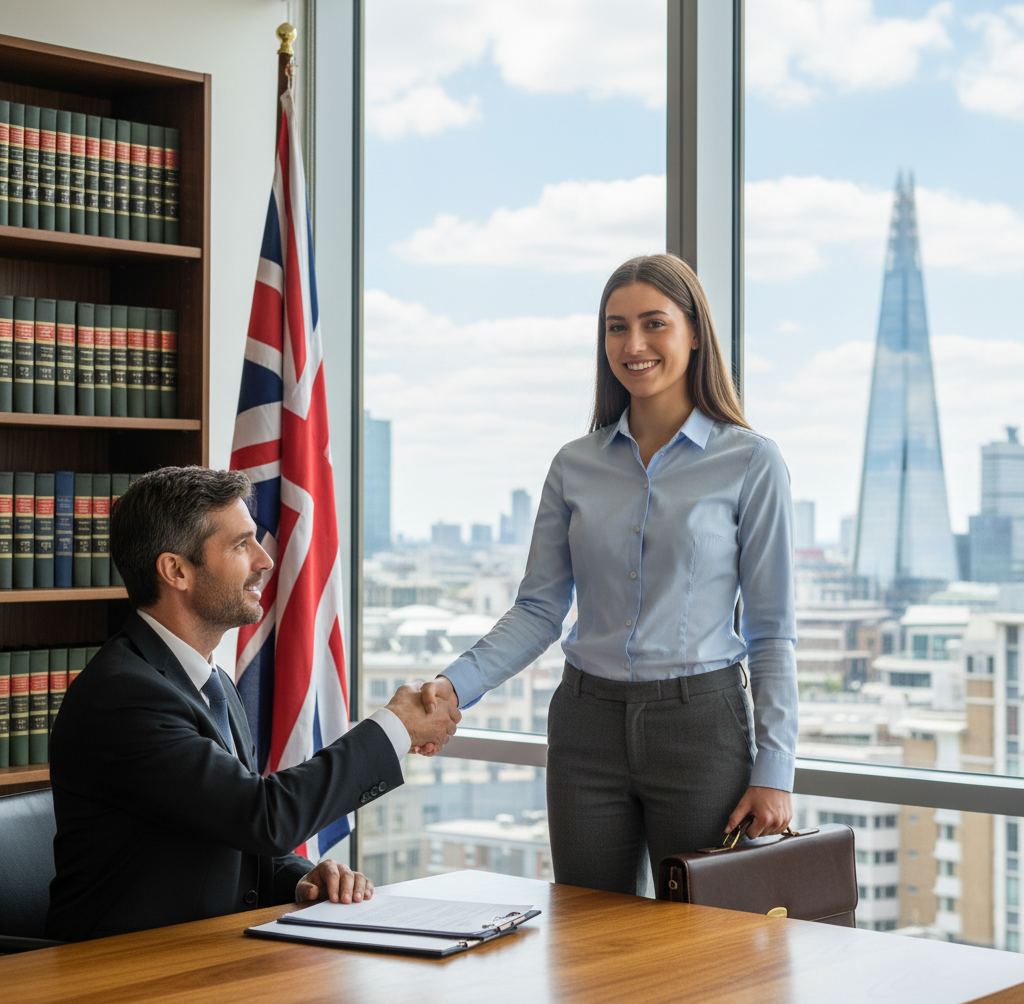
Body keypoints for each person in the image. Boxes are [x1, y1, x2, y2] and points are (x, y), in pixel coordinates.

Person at [421, 254, 797, 896]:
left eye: (655, 324)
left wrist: (776, 769)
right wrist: (452, 686)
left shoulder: (751, 462)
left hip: (700, 728)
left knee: (700, 951)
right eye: (616, 327)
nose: (635, 344)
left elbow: (770, 631)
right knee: (588, 942)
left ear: (695, 332)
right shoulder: (574, 465)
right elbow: (539, 610)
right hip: (584, 726)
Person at [47, 466, 460, 942]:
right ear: (176, 570)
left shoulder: (208, 679)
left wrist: (299, 878)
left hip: (208, 955)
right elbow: (262, 818)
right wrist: (396, 726)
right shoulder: (123, 696)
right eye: (241, 544)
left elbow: (230, 831)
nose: (264, 560)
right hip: (122, 973)